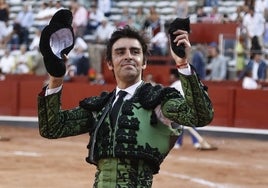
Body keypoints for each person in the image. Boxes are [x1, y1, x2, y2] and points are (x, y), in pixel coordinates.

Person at [38, 9, 214, 187]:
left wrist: (182, 64)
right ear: (109, 63)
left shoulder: (158, 101)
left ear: (144, 62)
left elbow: (200, 116)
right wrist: (56, 77)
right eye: (120, 52)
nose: (128, 56)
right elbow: (52, 128)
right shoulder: (100, 107)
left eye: (135, 52)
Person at [169, 68, 217, 150]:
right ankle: (196, 142)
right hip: (190, 105)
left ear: (174, 76)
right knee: (190, 124)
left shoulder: (175, 84)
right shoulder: (187, 83)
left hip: (182, 106)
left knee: (179, 125)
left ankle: (179, 143)